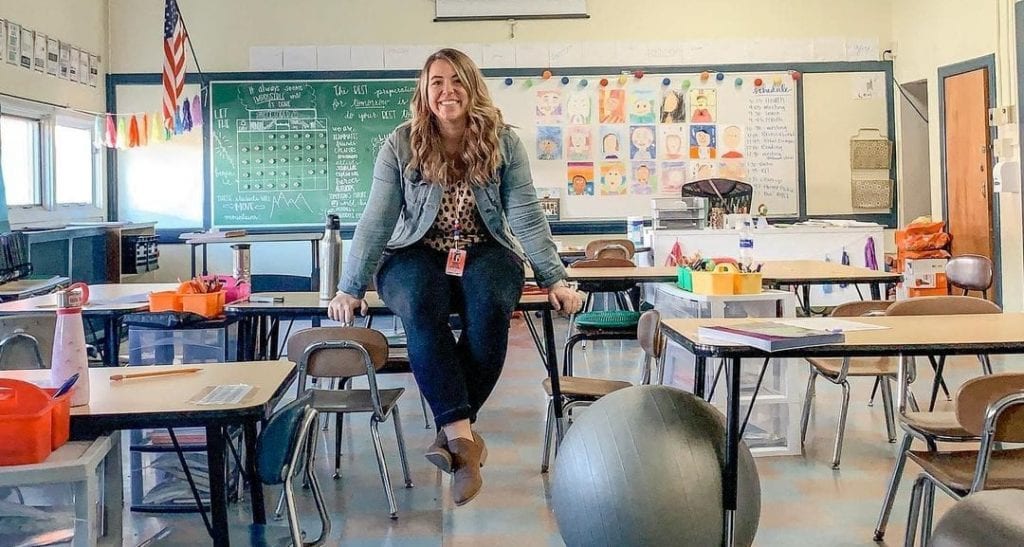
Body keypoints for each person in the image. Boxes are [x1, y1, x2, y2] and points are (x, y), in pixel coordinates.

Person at [329, 48, 582, 507]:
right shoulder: (400, 144)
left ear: (472, 87)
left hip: (487, 251)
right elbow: (378, 218)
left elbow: (524, 214)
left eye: (457, 81)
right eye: (437, 82)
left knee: (489, 309)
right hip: (414, 253)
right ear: (425, 93)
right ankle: (466, 442)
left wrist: (554, 278)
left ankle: (452, 433)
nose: (448, 91)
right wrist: (351, 287)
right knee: (421, 307)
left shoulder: (504, 142)